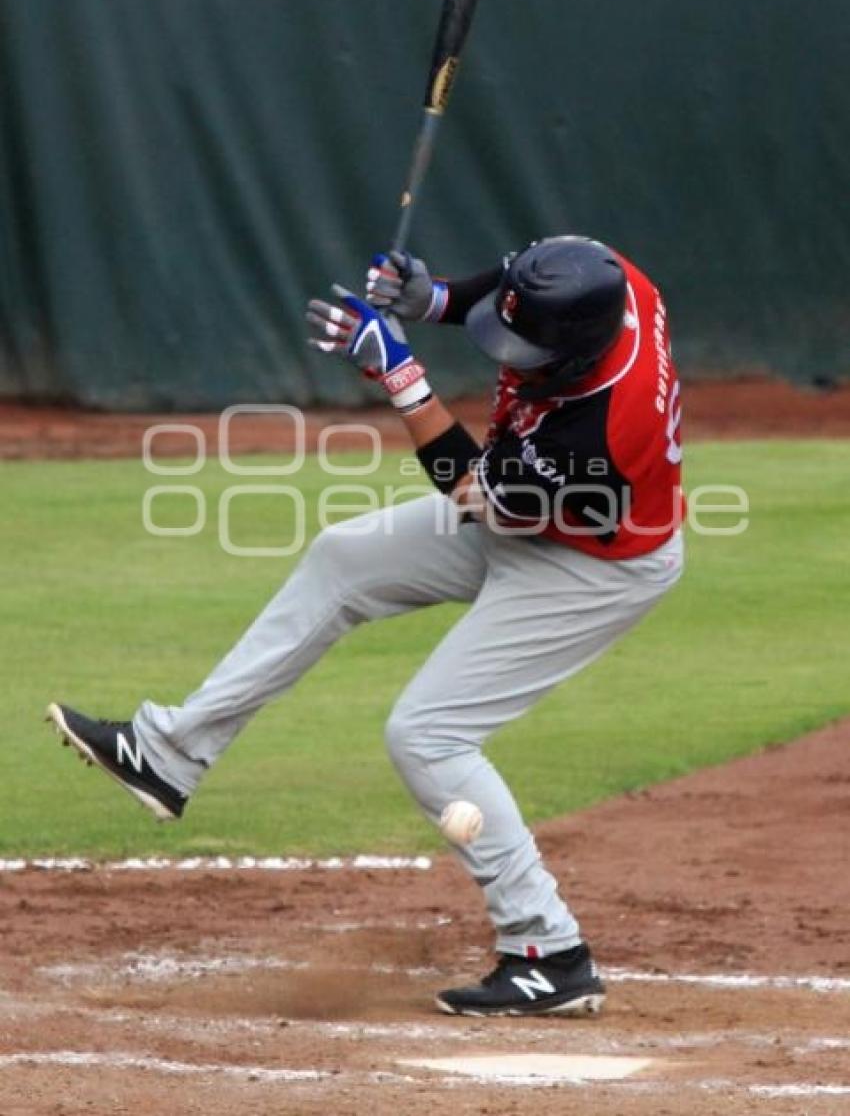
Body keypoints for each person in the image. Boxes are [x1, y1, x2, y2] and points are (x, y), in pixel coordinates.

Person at [47, 235, 684, 1018]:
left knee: (427, 733)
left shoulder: (607, 433)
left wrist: (400, 370)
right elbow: (508, 286)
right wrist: (435, 299)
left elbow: (472, 493)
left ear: (578, 353)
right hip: (528, 518)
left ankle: (548, 950)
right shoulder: (597, 270)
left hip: (592, 566)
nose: (510, 358)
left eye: (527, 349)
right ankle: (171, 753)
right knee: (342, 559)